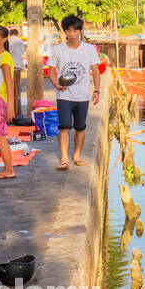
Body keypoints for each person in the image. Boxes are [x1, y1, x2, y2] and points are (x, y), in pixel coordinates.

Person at [46, 14, 101, 171]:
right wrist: (56, 84)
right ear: (64, 32)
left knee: (80, 127)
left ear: (80, 31)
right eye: (68, 30)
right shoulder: (57, 49)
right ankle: (64, 158)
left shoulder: (89, 49)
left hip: (82, 96)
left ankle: (76, 155)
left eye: (75, 30)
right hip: (64, 96)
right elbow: (51, 71)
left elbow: (96, 71)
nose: (72, 34)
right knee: (63, 126)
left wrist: (97, 91)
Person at [0, 26, 15, 180]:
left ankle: (9, 169)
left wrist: (10, 105)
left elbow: (10, 83)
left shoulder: (4, 57)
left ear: (3, 39)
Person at [6, 27, 24, 117]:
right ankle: (17, 111)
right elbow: (22, 52)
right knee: (17, 86)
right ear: (17, 33)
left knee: (9, 85)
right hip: (18, 65)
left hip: (8, 65)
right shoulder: (20, 41)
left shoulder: (7, 41)